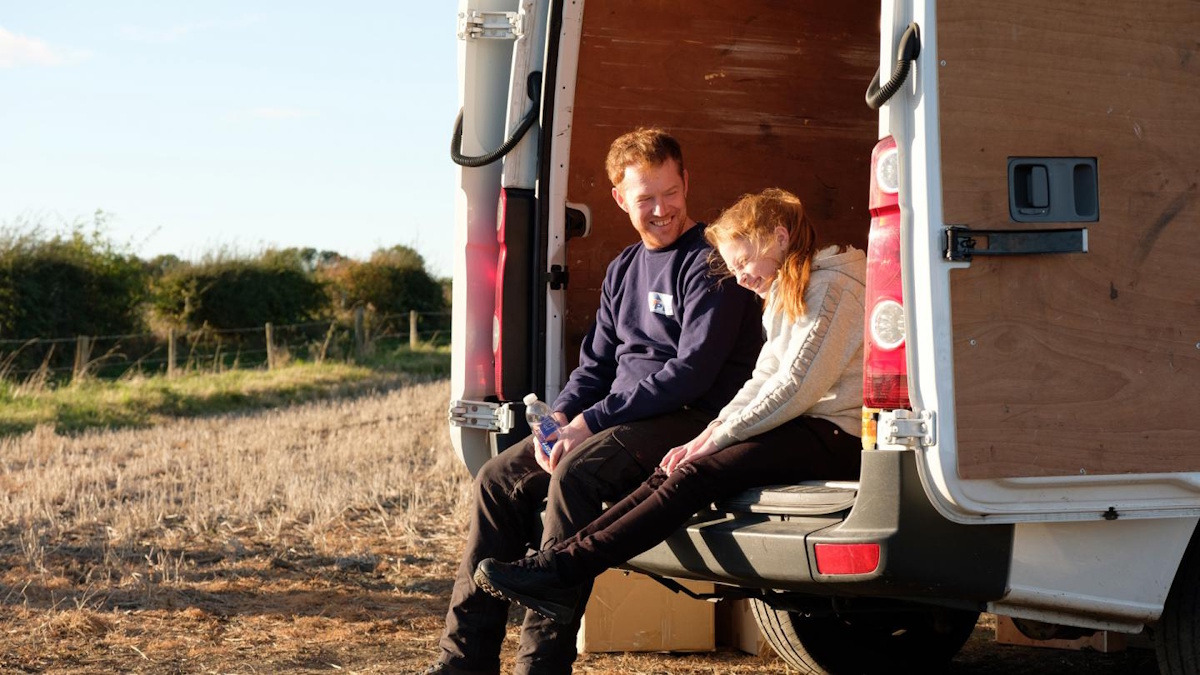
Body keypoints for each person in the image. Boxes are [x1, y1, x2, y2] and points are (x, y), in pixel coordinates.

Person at [424, 129, 764, 675]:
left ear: (687, 184)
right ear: (618, 199)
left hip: (691, 416)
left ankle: (543, 664)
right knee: (495, 478)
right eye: (644, 197)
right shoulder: (624, 268)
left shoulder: (711, 263)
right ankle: (464, 660)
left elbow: (691, 374)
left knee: (576, 473)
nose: (661, 209)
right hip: (624, 417)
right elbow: (597, 366)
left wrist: (590, 423)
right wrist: (560, 416)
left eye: (671, 192)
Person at [473, 188, 866, 625]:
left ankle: (562, 568)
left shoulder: (834, 288)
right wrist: (708, 435)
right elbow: (762, 379)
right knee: (674, 467)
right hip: (800, 425)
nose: (740, 278)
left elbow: (793, 388)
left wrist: (715, 438)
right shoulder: (787, 290)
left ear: (778, 237)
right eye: (733, 268)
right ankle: (561, 564)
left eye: (742, 263)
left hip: (835, 432)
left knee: (697, 473)